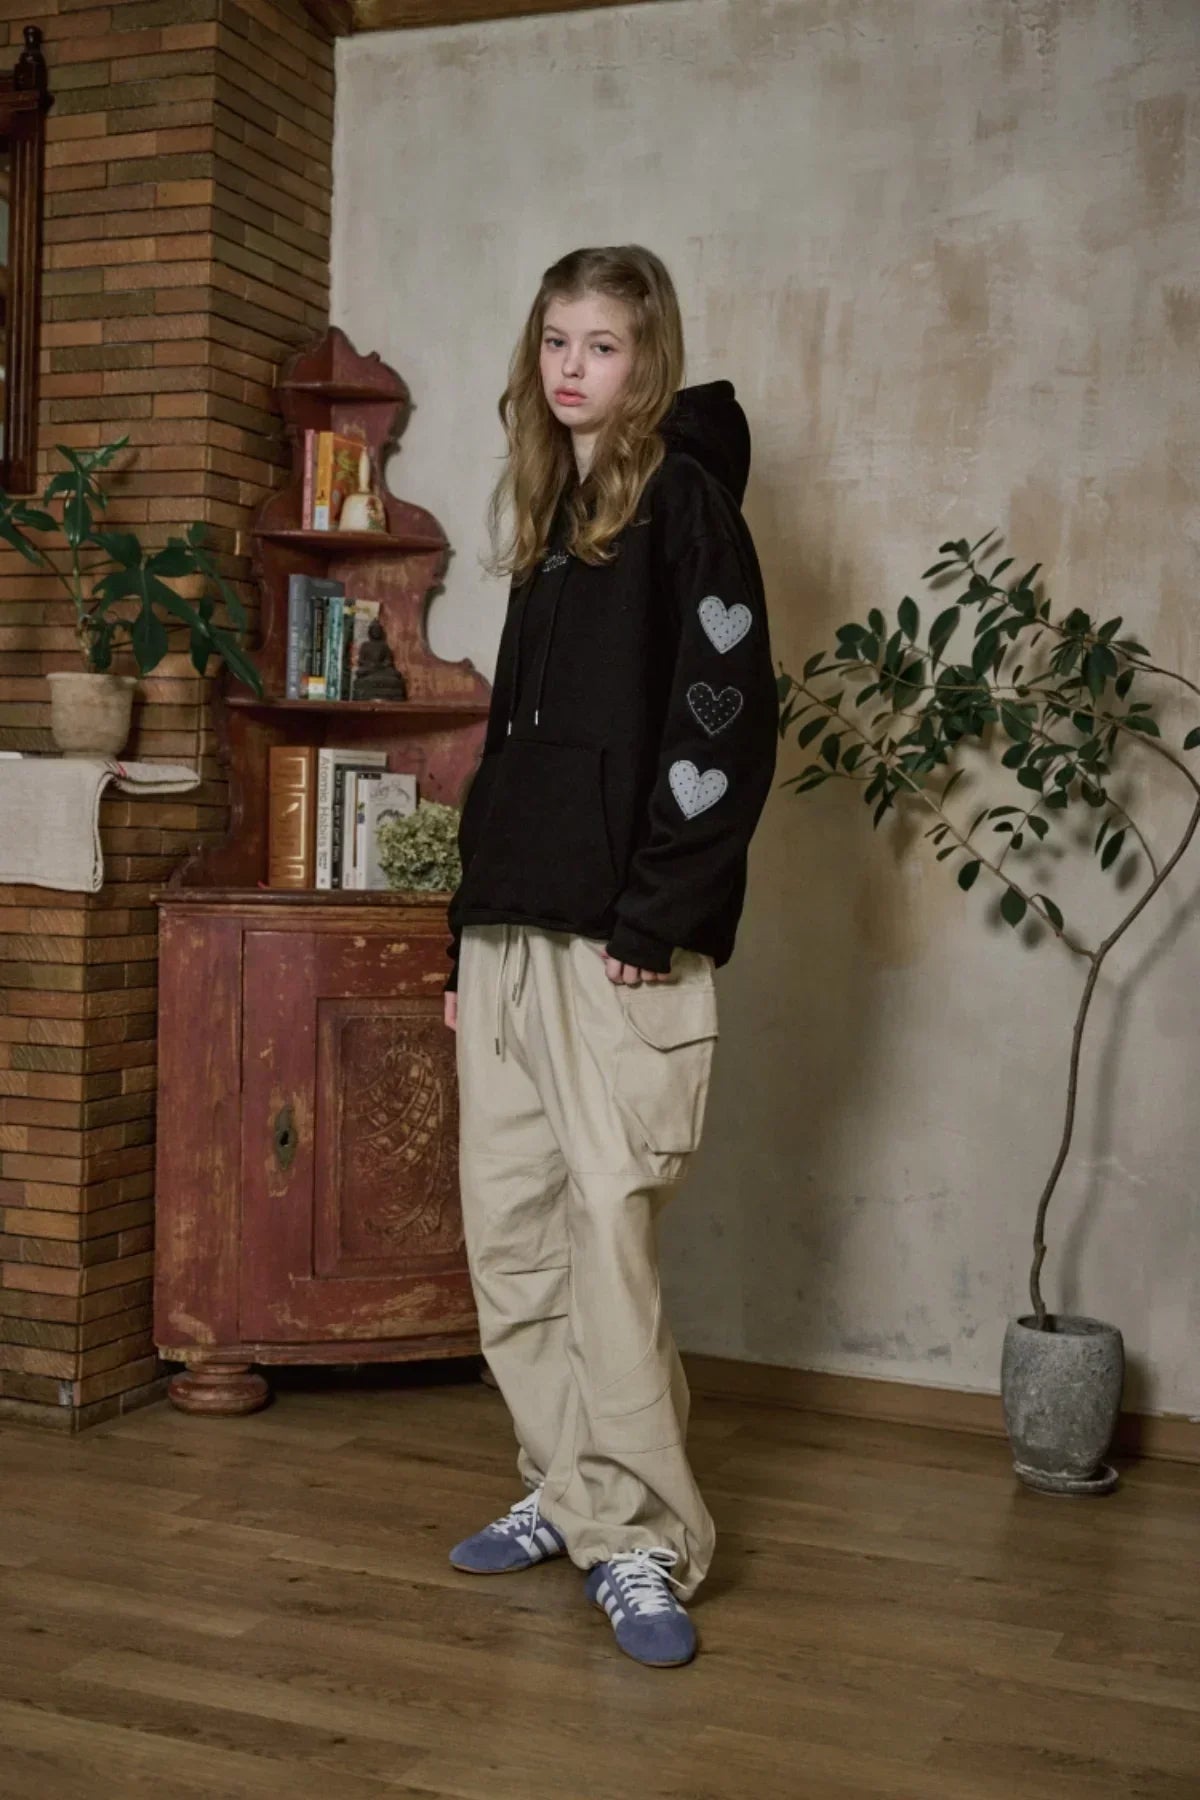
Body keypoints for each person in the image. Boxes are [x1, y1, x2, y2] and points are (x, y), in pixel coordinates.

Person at [442, 244, 778, 1669]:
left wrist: (657, 918)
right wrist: (466, 936)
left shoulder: (686, 510)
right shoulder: (555, 511)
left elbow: (723, 731)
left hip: (617, 951)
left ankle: (641, 1537)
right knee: (510, 1240)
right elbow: (514, 752)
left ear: (649, 362)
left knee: (604, 1244)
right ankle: (567, 1486)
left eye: (606, 345)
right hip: (515, 940)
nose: (576, 366)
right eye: (558, 341)